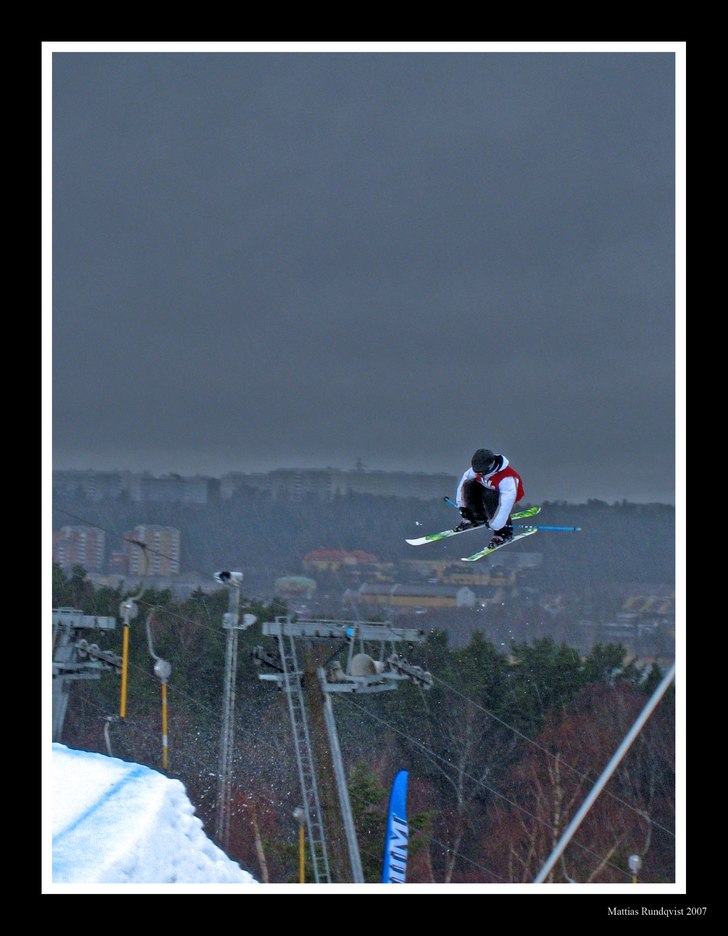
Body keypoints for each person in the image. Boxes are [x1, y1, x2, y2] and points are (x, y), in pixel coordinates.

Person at [454, 448, 526, 547]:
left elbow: (505, 504)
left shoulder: (507, 478)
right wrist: (463, 507)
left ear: (490, 467)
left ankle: (503, 533)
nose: (480, 474)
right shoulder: (479, 468)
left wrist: (496, 524)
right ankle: (477, 516)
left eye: (482, 472)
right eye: (477, 472)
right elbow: (463, 482)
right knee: (469, 484)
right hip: (486, 489)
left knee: (490, 496)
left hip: (504, 496)